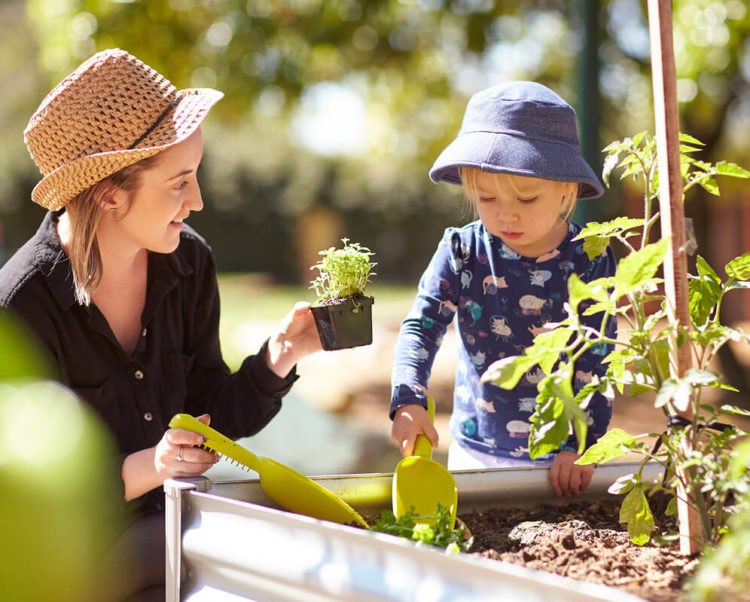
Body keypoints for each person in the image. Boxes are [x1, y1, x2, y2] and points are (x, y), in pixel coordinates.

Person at [0, 48, 323, 601]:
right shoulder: (20, 306)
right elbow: (27, 499)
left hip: (173, 534)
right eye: (179, 182)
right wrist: (151, 464)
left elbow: (210, 415)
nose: (196, 200)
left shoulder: (189, 264)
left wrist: (281, 355)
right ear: (109, 195)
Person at [389, 81, 617, 498]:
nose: (506, 214)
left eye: (527, 198)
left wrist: (582, 444)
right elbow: (421, 327)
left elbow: (598, 356)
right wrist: (408, 399)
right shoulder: (462, 250)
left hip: (561, 460)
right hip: (475, 452)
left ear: (566, 189)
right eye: (487, 198)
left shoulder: (591, 257)